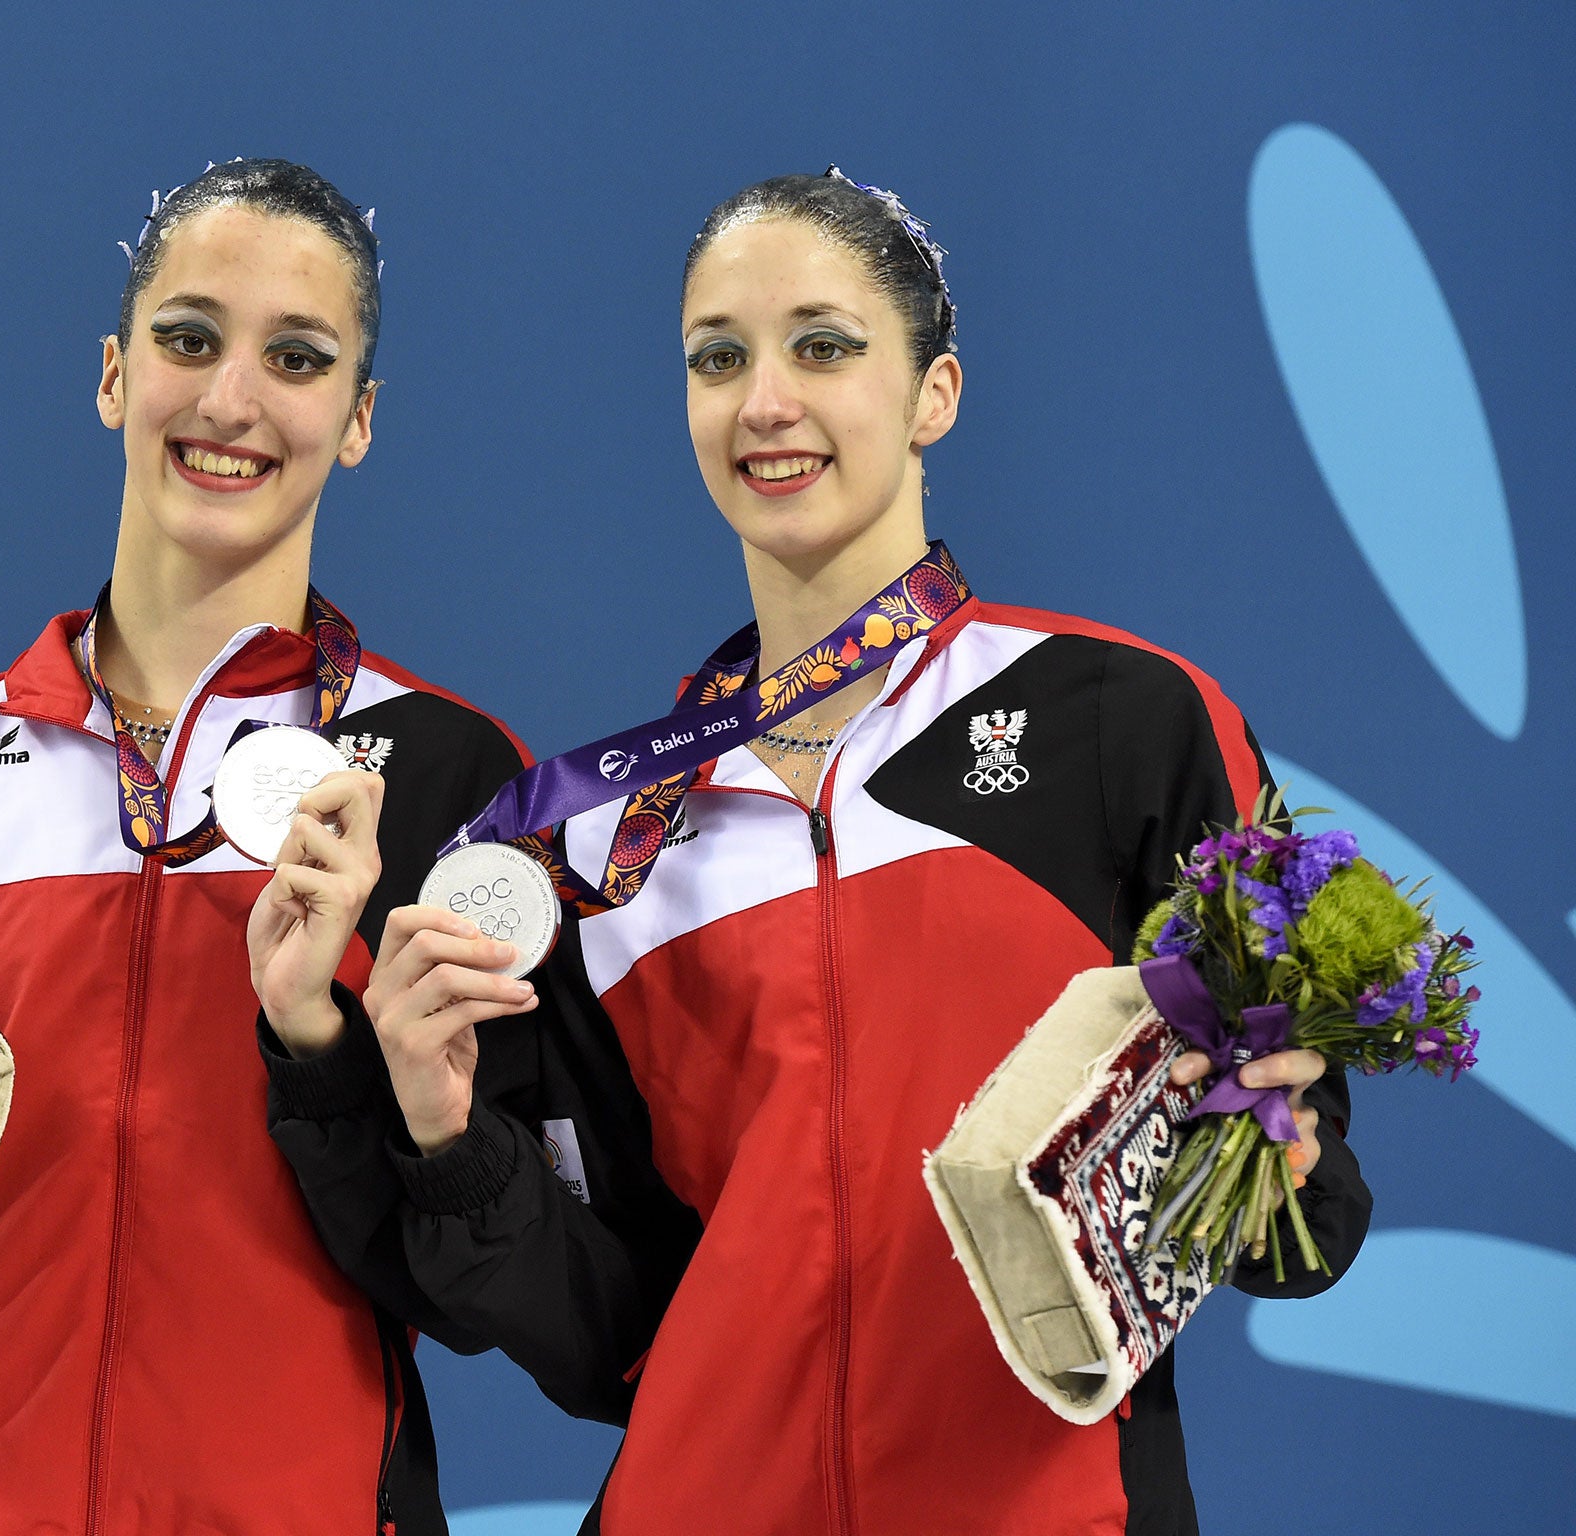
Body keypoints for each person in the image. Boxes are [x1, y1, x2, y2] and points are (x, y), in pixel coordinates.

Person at [253, 169, 1373, 1535]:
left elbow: (1309, 1234)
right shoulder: (599, 844)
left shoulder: (1121, 725)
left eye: (824, 347)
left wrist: (1275, 1139)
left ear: (934, 396)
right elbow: (607, 1339)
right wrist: (438, 1124)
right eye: (717, 358)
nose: (764, 401)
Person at [0, 156, 533, 1536]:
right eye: (187, 338)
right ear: (112, 376)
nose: (231, 399)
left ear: (360, 419)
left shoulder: (442, 775)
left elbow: (476, 1263)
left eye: (297, 358)